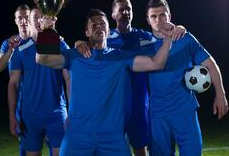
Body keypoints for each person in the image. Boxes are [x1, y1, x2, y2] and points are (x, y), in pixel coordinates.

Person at [36, 9, 173, 156]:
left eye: (102, 23)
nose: (98, 26)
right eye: (93, 25)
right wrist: (45, 30)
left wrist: (168, 38)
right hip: (78, 135)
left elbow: (156, 64)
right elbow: (42, 59)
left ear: (108, 31)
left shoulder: (119, 57)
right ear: (87, 32)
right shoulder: (75, 55)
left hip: (112, 137)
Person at [76, 0, 186, 156]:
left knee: (140, 147)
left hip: (139, 101)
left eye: (129, 9)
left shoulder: (144, 37)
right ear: (113, 15)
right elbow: (89, 44)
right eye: (121, 9)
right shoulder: (106, 37)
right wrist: (79, 43)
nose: (126, 12)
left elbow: (161, 40)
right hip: (113, 104)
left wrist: (178, 28)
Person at [142, 0, 228, 156]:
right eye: (153, 16)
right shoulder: (142, 43)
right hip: (157, 113)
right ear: (148, 20)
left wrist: (220, 94)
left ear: (170, 16)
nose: (158, 19)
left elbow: (211, 64)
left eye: (162, 15)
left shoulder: (185, 38)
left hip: (184, 109)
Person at [8, 6, 70, 156]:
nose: (38, 21)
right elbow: (13, 84)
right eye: (34, 17)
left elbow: (69, 79)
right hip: (30, 115)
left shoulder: (60, 45)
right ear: (29, 21)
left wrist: (72, 111)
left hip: (56, 114)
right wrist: (12, 116)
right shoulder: (21, 49)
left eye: (42, 17)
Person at [0, 4, 30, 156]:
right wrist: (10, 50)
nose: (23, 21)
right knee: (26, 145)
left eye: (26, 17)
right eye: (20, 18)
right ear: (16, 21)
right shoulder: (9, 43)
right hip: (20, 101)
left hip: (41, 99)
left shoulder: (41, 40)